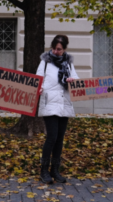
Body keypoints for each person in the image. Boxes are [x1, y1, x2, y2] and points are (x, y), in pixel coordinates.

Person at [37, 35, 79, 184]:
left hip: (64, 103)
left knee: (60, 139)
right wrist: (39, 88)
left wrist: (71, 80)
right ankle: (44, 170)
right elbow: (38, 79)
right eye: (54, 48)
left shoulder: (68, 63)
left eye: (59, 49)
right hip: (49, 103)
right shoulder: (45, 62)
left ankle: (55, 170)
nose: (55, 51)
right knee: (52, 137)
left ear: (65, 49)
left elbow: (75, 79)